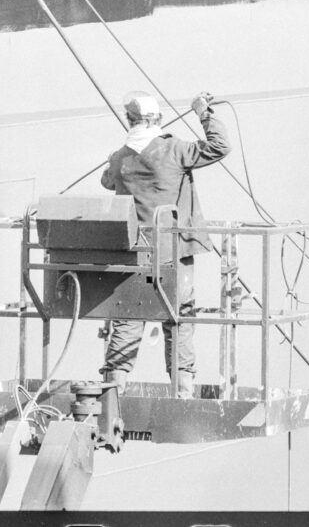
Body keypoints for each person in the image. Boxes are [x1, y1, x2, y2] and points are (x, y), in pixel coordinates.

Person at [99, 90, 231, 398]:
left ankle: (112, 393)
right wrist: (203, 113)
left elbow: (107, 181)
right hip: (174, 253)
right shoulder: (174, 150)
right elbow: (220, 147)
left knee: (128, 319)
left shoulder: (120, 159)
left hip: (135, 254)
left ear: (129, 120)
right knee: (180, 318)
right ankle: (182, 393)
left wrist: (112, 162)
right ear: (158, 119)